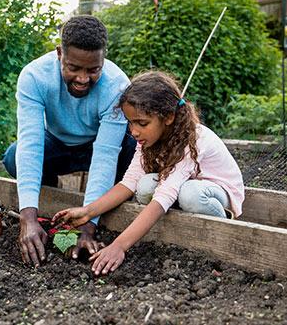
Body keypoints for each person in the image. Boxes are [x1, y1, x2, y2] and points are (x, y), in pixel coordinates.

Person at [52, 70, 245, 275]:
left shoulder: (192, 140)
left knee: (190, 194)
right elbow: (129, 182)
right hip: (183, 187)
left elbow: (165, 195)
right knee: (144, 185)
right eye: (130, 122)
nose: (134, 131)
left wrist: (119, 246)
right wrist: (88, 212)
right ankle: (181, 226)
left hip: (217, 193)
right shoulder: (147, 141)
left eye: (142, 123)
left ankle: (225, 223)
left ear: (168, 117)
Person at [2, 15, 136, 268]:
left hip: (100, 145)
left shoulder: (117, 86)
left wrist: (87, 229)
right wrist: (28, 217)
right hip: (57, 143)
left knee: (134, 146)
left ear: (103, 60)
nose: (83, 78)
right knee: (13, 157)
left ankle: (117, 199)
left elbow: (105, 156)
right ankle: (49, 195)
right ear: (59, 54)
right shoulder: (34, 77)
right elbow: (31, 143)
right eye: (74, 68)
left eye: (93, 70)